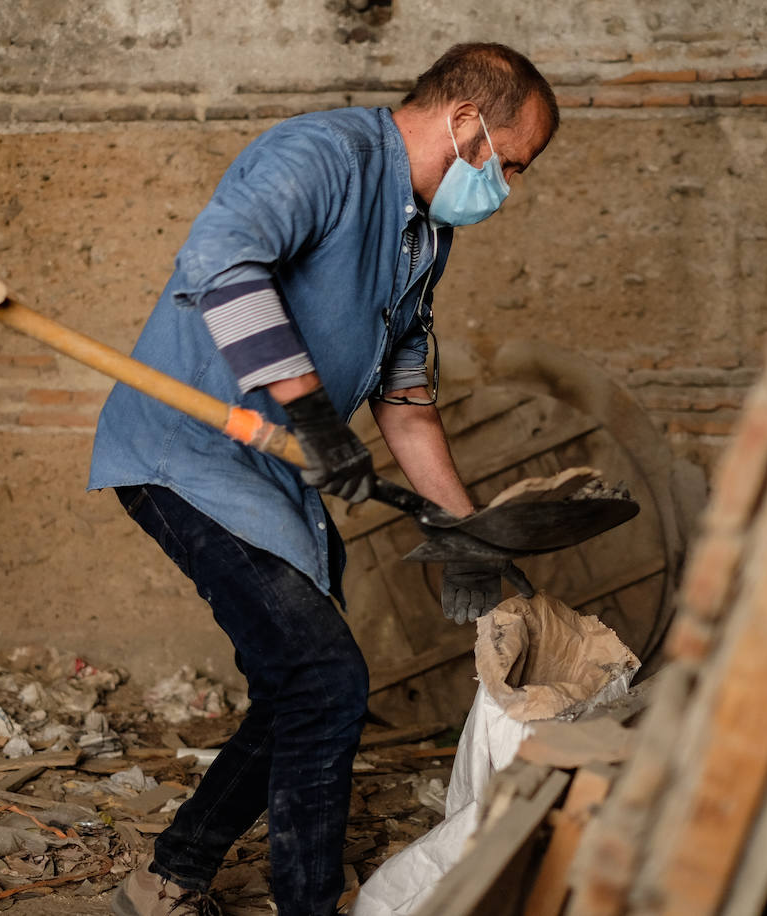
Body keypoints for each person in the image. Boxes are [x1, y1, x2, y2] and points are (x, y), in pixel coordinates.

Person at [90, 42, 559, 916]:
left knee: (298, 684)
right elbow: (221, 262)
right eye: (512, 163)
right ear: (466, 125)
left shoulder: (427, 231)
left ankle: (168, 878)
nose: (509, 187)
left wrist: (467, 535)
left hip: (265, 473)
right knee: (323, 680)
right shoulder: (323, 155)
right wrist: (309, 413)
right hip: (185, 452)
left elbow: (405, 394)